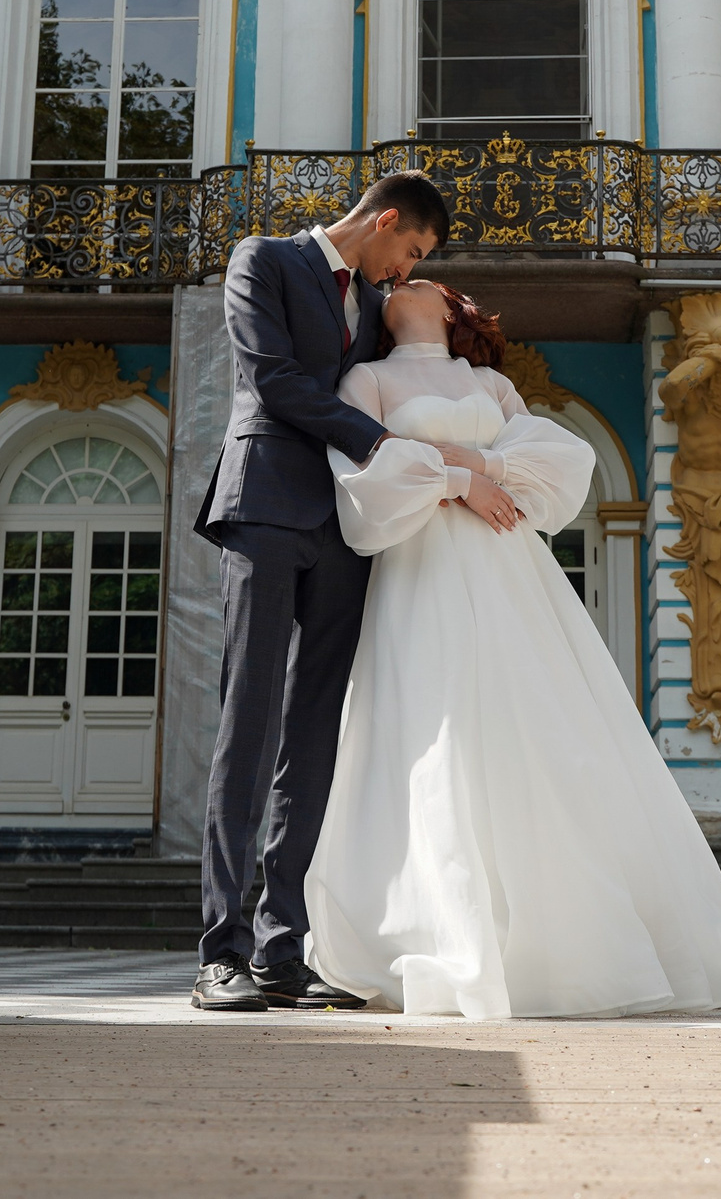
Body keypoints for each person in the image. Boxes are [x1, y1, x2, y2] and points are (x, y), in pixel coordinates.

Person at [305, 279, 721, 1018]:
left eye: (426, 279)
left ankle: (559, 941)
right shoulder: (365, 377)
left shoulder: (489, 383)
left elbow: (555, 463)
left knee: (534, 725)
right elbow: (366, 471)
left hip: (505, 562)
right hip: (420, 562)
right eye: (401, 276)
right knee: (430, 724)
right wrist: (464, 475)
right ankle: (437, 933)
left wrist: (473, 473)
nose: (406, 284)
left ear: (451, 308)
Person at [190, 170, 448, 1012]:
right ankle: (219, 953)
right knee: (250, 721)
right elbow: (271, 380)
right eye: (408, 251)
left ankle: (280, 952)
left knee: (315, 737)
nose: (403, 273)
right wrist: (382, 443)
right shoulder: (261, 260)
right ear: (382, 221)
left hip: (345, 528)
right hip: (264, 505)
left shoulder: (379, 309)